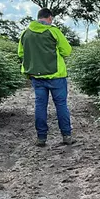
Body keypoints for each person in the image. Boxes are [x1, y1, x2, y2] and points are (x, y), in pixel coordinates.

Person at [18, 8, 74, 147]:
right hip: (56, 76)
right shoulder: (54, 31)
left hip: (37, 77)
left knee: (40, 106)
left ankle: (41, 138)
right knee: (61, 105)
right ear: (49, 17)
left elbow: (21, 53)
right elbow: (67, 51)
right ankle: (66, 136)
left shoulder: (25, 33)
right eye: (52, 19)